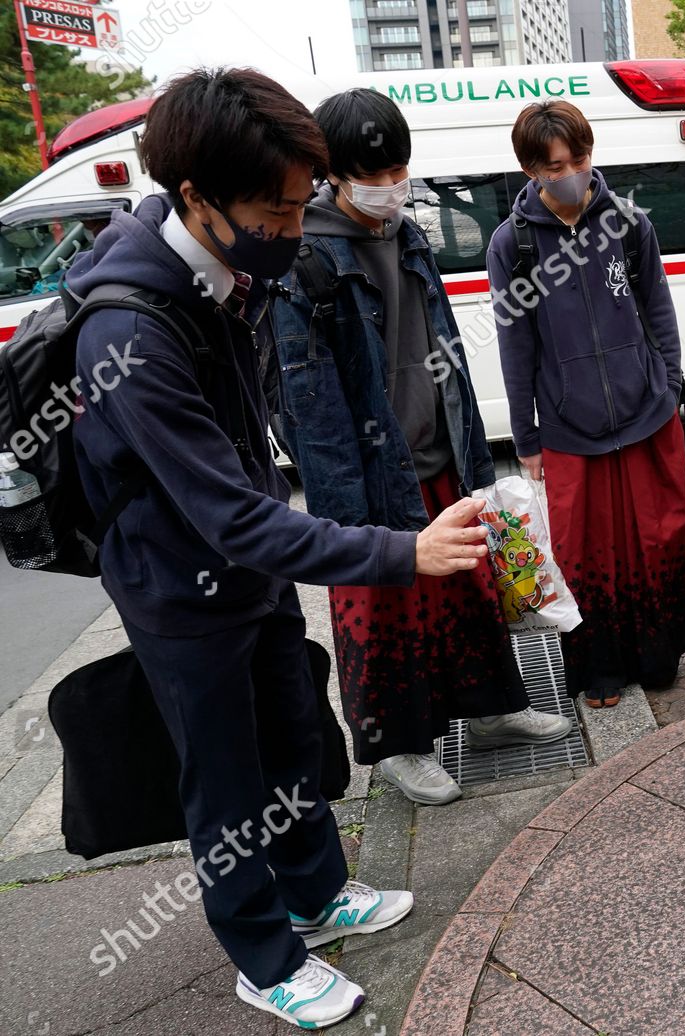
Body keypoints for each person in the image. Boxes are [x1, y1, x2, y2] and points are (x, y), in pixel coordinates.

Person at [69, 68, 493, 1030]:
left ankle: (315, 893)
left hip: (252, 577)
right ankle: (262, 954)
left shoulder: (233, 277)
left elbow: (262, 456)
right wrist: (400, 550)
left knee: (294, 732)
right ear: (195, 199)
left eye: (304, 206)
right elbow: (230, 515)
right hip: (180, 590)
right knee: (223, 778)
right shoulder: (126, 332)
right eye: (276, 210)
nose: (295, 230)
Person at [268, 88, 569, 808]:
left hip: (436, 455)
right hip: (370, 475)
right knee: (383, 615)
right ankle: (400, 748)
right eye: (374, 173)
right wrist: (346, 517)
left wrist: (469, 452)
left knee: (469, 595)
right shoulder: (303, 258)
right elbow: (310, 407)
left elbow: (446, 353)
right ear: (332, 174)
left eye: (398, 167)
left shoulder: (406, 233)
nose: (391, 185)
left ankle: (494, 712)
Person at [485, 100, 685, 708]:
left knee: (654, 537)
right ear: (530, 169)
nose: (574, 173)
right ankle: (601, 670)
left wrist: (669, 389)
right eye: (557, 165)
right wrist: (527, 438)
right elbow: (515, 347)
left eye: (581, 158)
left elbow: (658, 310)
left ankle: (659, 655)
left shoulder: (628, 222)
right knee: (584, 553)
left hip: (645, 414)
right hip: (568, 426)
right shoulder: (511, 245)